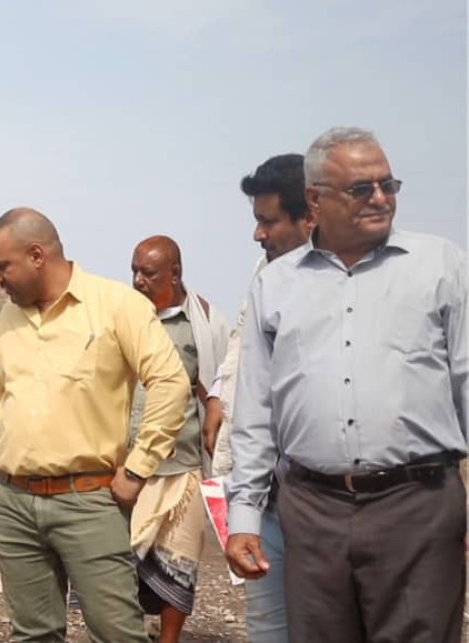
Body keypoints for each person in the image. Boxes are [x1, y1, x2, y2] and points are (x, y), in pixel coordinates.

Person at [226, 127, 467, 642]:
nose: (381, 198)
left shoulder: (440, 266)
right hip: (312, 512)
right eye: (362, 189)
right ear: (316, 198)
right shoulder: (277, 283)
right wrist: (244, 514)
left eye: (388, 184)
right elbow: (256, 413)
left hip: (418, 508)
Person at [0, 207, 189, 642]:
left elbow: (170, 383)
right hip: (13, 504)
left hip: (88, 501)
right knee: (32, 634)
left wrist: (139, 468)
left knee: (116, 631)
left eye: (1, 266)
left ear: (36, 255)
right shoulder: (10, 317)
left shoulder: (115, 305)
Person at [206, 153, 312, 643]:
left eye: (268, 222)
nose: (258, 235)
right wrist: (216, 395)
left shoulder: (365, 286)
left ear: (310, 214)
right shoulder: (265, 275)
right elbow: (245, 355)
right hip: (268, 493)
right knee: (268, 623)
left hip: (328, 499)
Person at [128, 235, 227, 643]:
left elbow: (220, 383)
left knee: (180, 562)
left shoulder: (203, 322)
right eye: (133, 270)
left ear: (175, 273)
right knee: (121, 562)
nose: (137, 281)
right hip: (131, 465)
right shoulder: (129, 317)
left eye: (147, 273)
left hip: (181, 466)